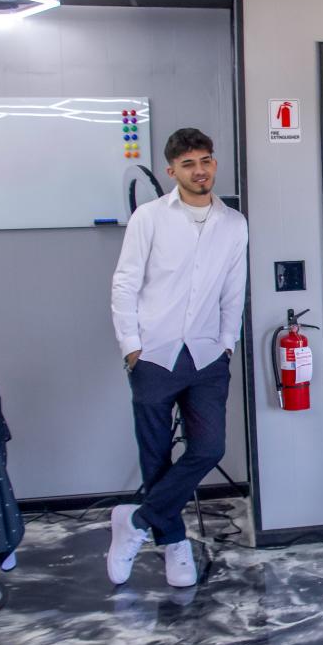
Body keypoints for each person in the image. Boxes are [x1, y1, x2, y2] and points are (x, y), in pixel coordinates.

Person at [108, 127, 249, 588]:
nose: (200, 170)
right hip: (153, 353)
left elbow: (234, 288)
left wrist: (228, 341)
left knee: (208, 448)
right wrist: (132, 347)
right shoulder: (149, 218)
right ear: (172, 171)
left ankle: (136, 521)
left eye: (206, 160)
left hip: (208, 355)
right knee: (156, 456)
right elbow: (125, 284)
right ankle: (174, 545)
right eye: (188, 164)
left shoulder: (233, 224)